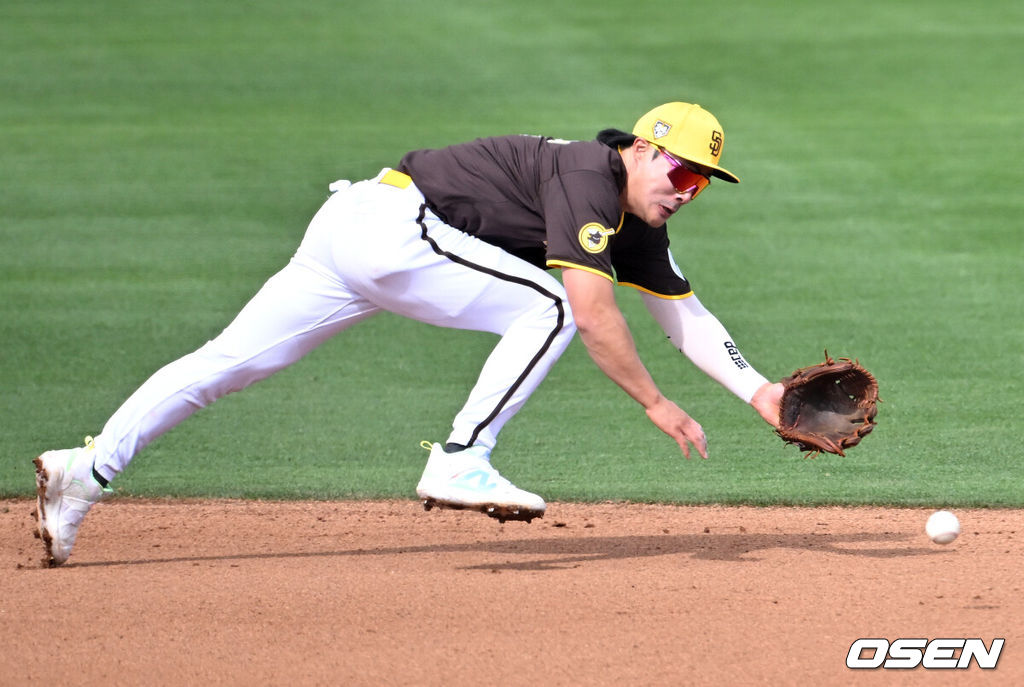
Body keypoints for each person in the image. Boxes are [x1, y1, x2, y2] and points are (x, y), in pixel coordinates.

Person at [33, 101, 785, 566]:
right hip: (394, 229)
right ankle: (462, 457)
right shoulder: (587, 177)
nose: (687, 193)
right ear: (647, 148)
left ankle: (83, 472)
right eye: (682, 173)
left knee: (223, 364)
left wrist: (763, 394)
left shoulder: (633, 220)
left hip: (359, 229)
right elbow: (591, 312)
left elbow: (682, 311)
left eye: (701, 186)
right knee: (552, 306)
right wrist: (655, 402)